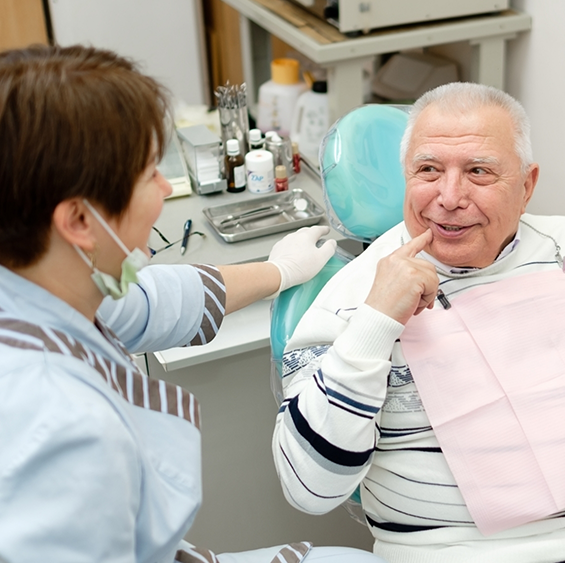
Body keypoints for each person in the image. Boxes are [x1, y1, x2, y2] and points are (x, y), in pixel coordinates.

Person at [0, 44, 386, 563]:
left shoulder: (41, 283)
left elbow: (142, 302)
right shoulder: (58, 426)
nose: (165, 188)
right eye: (147, 176)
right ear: (78, 222)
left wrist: (278, 272)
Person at [272, 82, 565, 562]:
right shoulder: (349, 303)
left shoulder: (558, 252)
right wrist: (375, 325)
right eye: (428, 169)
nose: (449, 197)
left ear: (527, 185)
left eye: (479, 172)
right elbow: (310, 489)